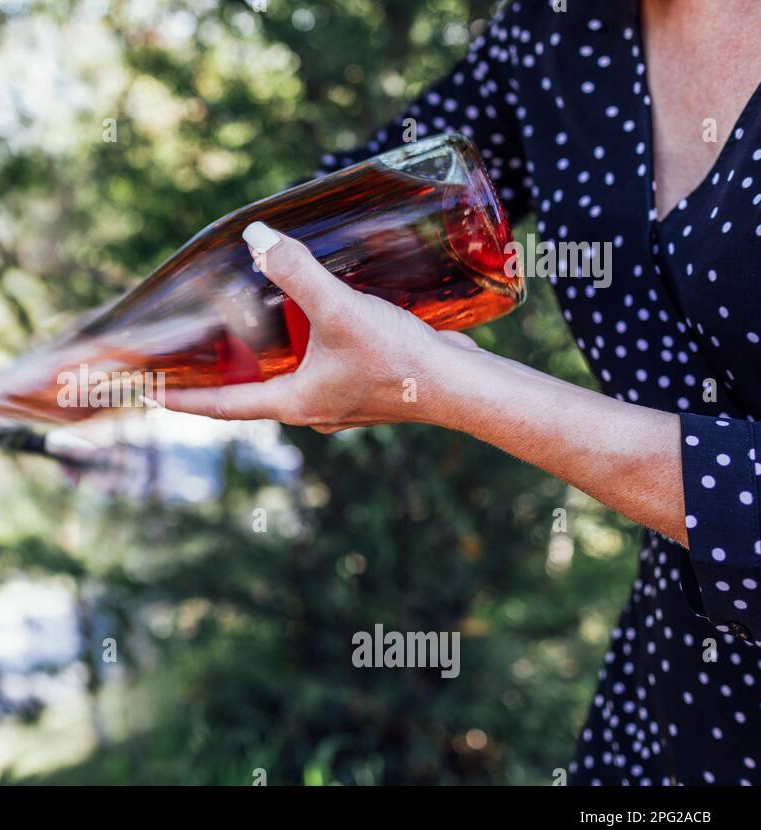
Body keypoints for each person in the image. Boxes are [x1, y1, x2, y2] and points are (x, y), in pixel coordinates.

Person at [162, 0, 761, 785]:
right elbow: (352, 217)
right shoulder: (560, 27)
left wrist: (460, 390)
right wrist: (89, 356)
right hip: (675, 697)